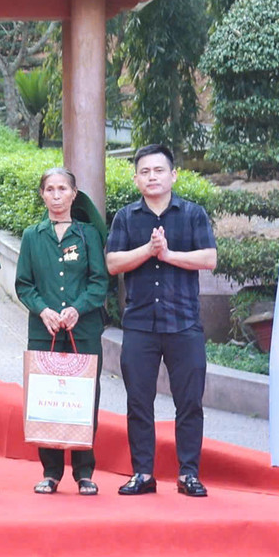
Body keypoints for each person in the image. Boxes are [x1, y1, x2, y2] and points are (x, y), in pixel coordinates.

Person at [105, 144, 217, 498]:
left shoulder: (193, 214)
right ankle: (142, 473)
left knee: (189, 402)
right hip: (139, 324)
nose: (152, 177)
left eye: (158, 170)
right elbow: (113, 263)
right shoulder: (126, 217)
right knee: (138, 402)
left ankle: (188, 474)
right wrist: (148, 251)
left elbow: (209, 258)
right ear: (136, 178)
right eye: (145, 171)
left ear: (173, 175)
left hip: (184, 323)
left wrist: (168, 254)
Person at [15, 166, 109, 496]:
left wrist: (77, 308)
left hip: (82, 331)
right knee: (48, 398)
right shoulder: (32, 235)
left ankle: (85, 472)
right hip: (45, 331)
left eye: (62, 189)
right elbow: (23, 285)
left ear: (73, 194)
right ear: (42, 195)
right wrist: (43, 310)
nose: (56, 196)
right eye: (50, 189)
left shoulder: (88, 235)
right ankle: (51, 471)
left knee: (83, 398)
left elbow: (100, 282)